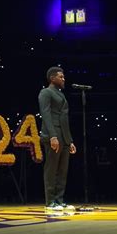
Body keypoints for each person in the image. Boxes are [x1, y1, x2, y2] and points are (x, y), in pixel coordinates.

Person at [38, 66, 77, 211]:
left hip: (64, 137)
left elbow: (64, 120)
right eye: (61, 76)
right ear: (52, 78)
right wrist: (53, 136)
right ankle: (50, 202)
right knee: (51, 170)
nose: (63, 79)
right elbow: (46, 115)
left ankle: (59, 200)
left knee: (62, 171)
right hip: (53, 135)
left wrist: (70, 140)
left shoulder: (61, 94)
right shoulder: (45, 92)